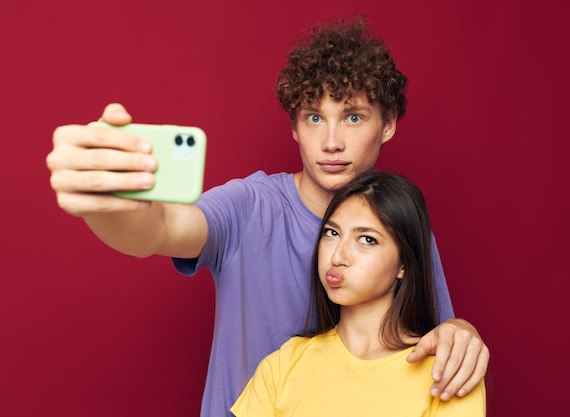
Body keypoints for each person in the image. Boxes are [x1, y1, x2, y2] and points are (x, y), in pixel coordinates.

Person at [46, 16, 489, 417]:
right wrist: (111, 202)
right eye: (314, 117)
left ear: (388, 123)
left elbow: (426, 340)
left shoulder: (402, 224)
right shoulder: (249, 205)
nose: (331, 141)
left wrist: (460, 331)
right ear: (294, 125)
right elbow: (159, 229)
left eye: (353, 117)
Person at [231, 171, 486, 417]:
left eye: (366, 240)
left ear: (404, 265)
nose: (337, 256)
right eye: (332, 233)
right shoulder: (282, 367)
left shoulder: (449, 372)